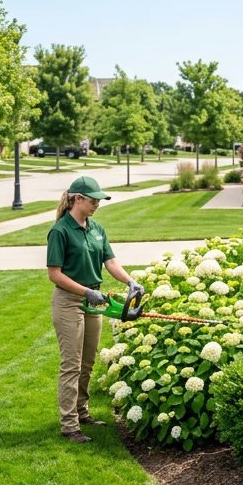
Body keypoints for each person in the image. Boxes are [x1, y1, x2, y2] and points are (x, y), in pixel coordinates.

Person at [47, 175, 141, 443]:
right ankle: (69, 425)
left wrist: (130, 281)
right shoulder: (60, 231)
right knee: (71, 364)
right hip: (69, 301)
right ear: (78, 199)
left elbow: (110, 262)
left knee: (87, 362)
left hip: (93, 301)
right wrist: (86, 291)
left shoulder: (96, 228)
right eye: (93, 199)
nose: (98, 203)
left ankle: (82, 411)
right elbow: (54, 274)